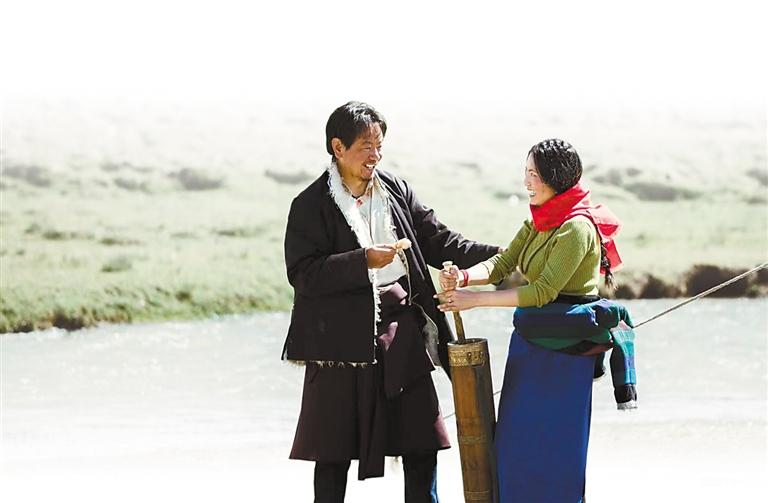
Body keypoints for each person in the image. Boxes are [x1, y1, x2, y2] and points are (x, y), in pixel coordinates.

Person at [282, 101, 500, 503]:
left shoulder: (396, 190)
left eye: (379, 146)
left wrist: (503, 257)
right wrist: (362, 261)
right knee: (332, 456)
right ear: (338, 148)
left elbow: (439, 241)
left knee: (422, 443)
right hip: (339, 346)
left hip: (402, 332)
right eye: (366, 146)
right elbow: (303, 274)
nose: (375, 156)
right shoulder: (310, 205)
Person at [436, 138, 630, 503]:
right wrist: (463, 277)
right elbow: (502, 263)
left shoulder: (577, 228)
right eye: (525, 172)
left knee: (557, 450)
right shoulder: (538, 221)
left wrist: (476, 300)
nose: (526, 182)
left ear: (556, 178)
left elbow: (542, 291)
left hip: (566, 354)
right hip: (528, 349)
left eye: (534, 174)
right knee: (512, 444)